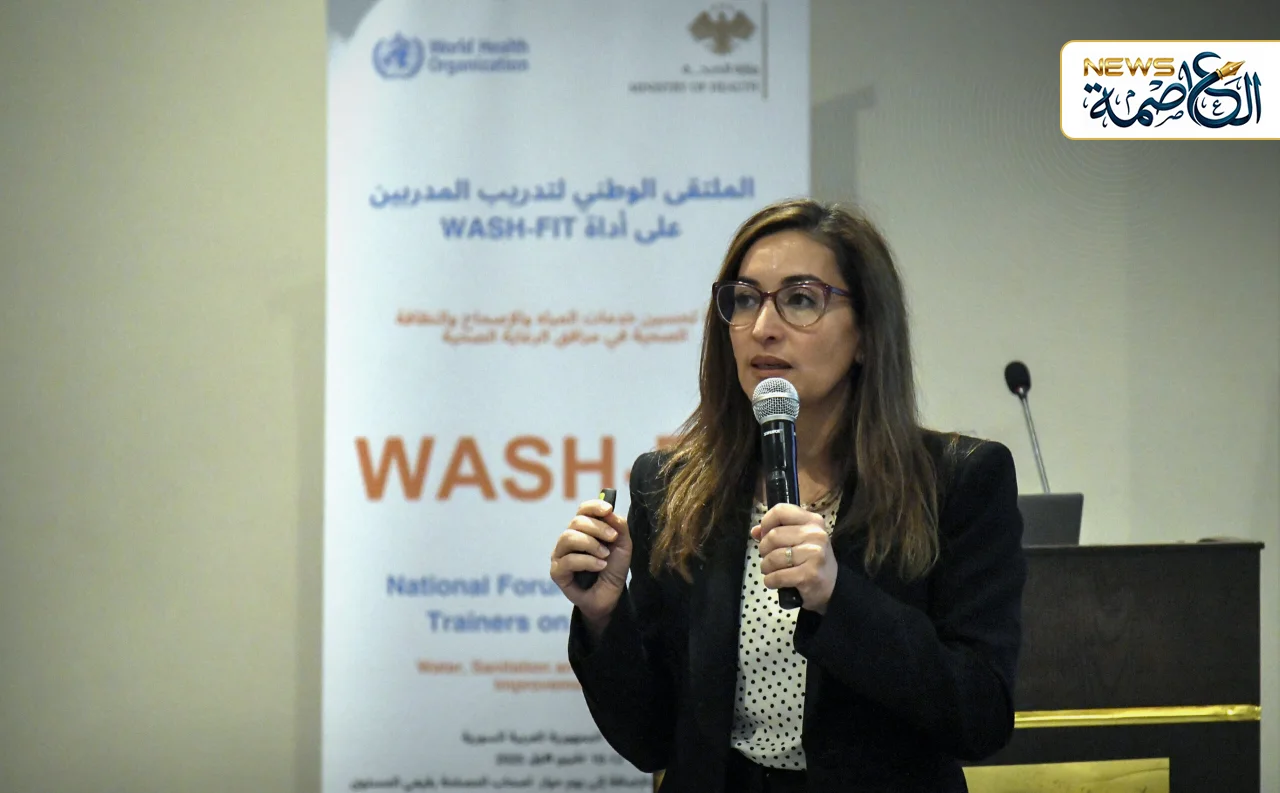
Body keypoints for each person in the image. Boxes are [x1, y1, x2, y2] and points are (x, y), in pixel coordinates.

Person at [549, 198, 1027, 792]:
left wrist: (837, 596)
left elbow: (980, 718)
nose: (762, 327)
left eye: (801, 299)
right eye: (745, 299)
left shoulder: (957, 481)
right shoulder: (670, 487)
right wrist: (603, 618)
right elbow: (650, 740)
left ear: (866, 334)